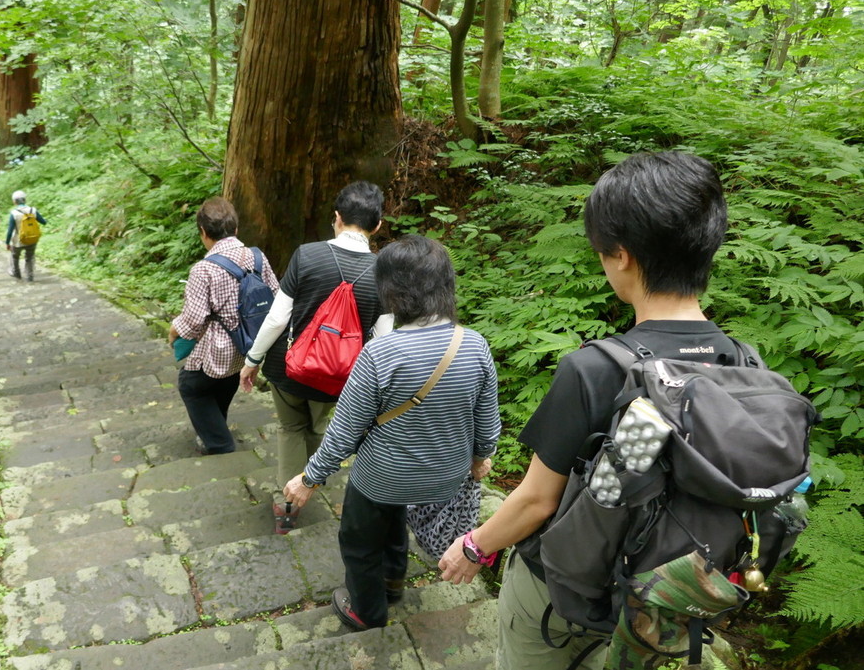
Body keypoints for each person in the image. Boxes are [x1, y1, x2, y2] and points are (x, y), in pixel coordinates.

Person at [439, 151, 735, 670]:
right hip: (665, 589)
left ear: (621, 255)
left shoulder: (596, 369)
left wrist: (473, 547)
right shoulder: (741, 362)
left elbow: (536, 502)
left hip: (563, 591)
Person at [282, 235, 500, 631]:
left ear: (391, 292)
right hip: (444, 477)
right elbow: (487, 424)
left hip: (382, 478)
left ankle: (366, 612)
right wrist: (479, 458)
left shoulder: (380, 354)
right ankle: (393, 582)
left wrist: (309, 478)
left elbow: (344, 432)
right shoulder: (475, 344)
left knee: (360, 542)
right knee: (395, 519)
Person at [239, 181, 393, 533]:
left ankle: (287, 505)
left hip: (289, 368)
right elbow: (383, 339)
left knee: (291, 427)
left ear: (336, 217)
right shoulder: (384, 273)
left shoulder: (307, 255)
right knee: (317, 424)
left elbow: (277, 319)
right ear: (377, 226)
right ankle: (310, 481)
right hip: (341, 375)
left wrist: (252, 361)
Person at [168, 197, 279, 455]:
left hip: (217, 350)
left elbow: (193, 321)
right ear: (235, 229)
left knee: (190, 386)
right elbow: (275, 295)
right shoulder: (257, 257)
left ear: (203, 232)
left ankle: (220, 444)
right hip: (249, 345)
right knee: (225, 382)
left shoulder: (203, 269)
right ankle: (216, 427)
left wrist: (173, 332)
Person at [5, 190, 48, 282]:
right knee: (30, 257)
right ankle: (30, 276)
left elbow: (10, 230)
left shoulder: (14, 213)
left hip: (18, 241)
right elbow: (43, 222)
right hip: (32, 239)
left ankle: (16, 273)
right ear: (25, 200)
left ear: (14, 201)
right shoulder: (33, 210)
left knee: (15, 256)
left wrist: (7, 242)